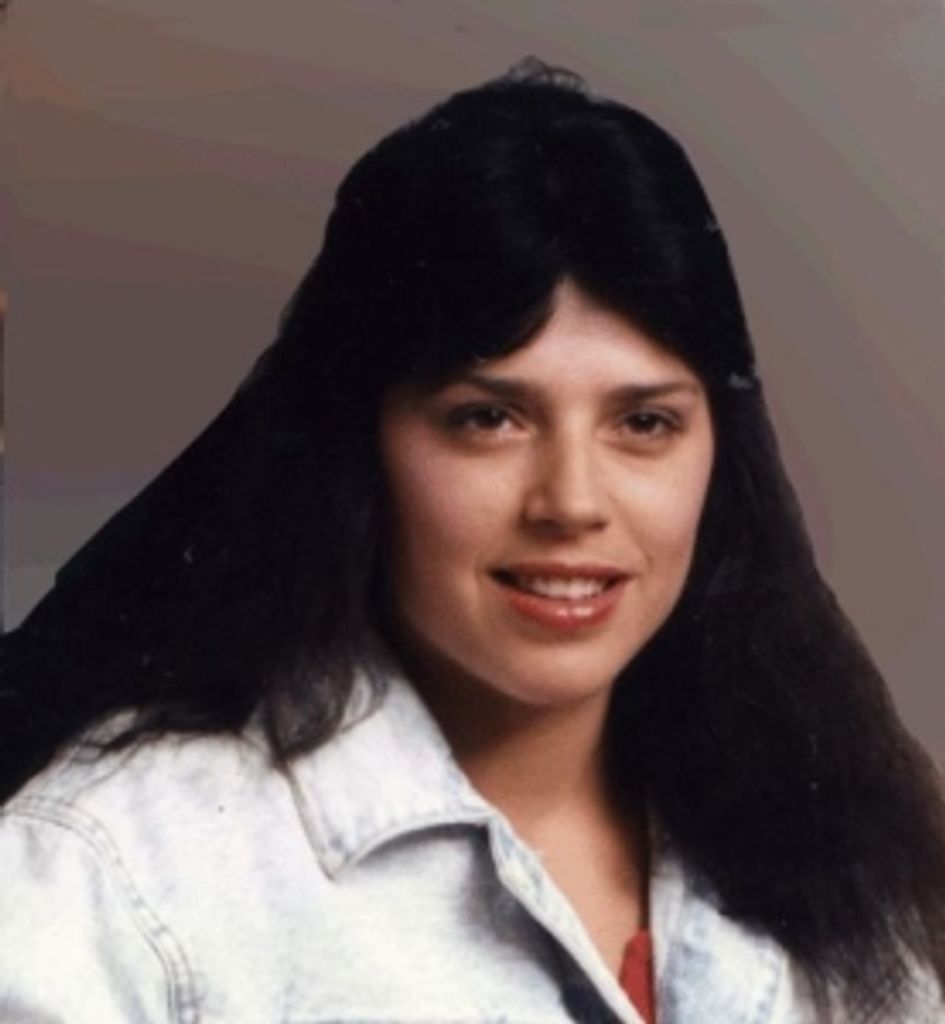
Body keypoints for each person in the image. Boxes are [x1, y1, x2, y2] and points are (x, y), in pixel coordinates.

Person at [1, 60, 943, 1024]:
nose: (571, 502)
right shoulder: (111, 878)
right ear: (358, 445)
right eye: (487, 418)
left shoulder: (840, 855)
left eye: (644, 423)